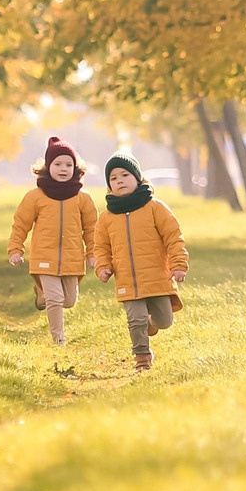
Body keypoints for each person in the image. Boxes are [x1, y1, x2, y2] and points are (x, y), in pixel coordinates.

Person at [93, 154, 188, 373]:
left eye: (125, 175)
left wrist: (179, 265)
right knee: (135, 320)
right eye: (114, 178)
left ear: (137, 178)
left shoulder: (155, 208)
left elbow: (173, 237)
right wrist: (103, 266)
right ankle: (142, 358)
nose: (120, 180)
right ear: (109, 185)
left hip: (156, 278)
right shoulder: (106, 217)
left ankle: (151, 323)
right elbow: (101, 247)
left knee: (165, 321)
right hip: (127, 280)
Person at [7, 137, 100, 345]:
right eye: (58, 164)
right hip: (44, 256)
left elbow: (92, 229)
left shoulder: (83, 198)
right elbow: (21, 224)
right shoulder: (35, 196)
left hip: (72, 258)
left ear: (76, 168)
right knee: (55, 299)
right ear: (48, 167)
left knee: (69, 300)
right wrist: (15, 249)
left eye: (68, 164)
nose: (63, 168)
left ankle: (41, 294)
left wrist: (93, 254)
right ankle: (59, 339)